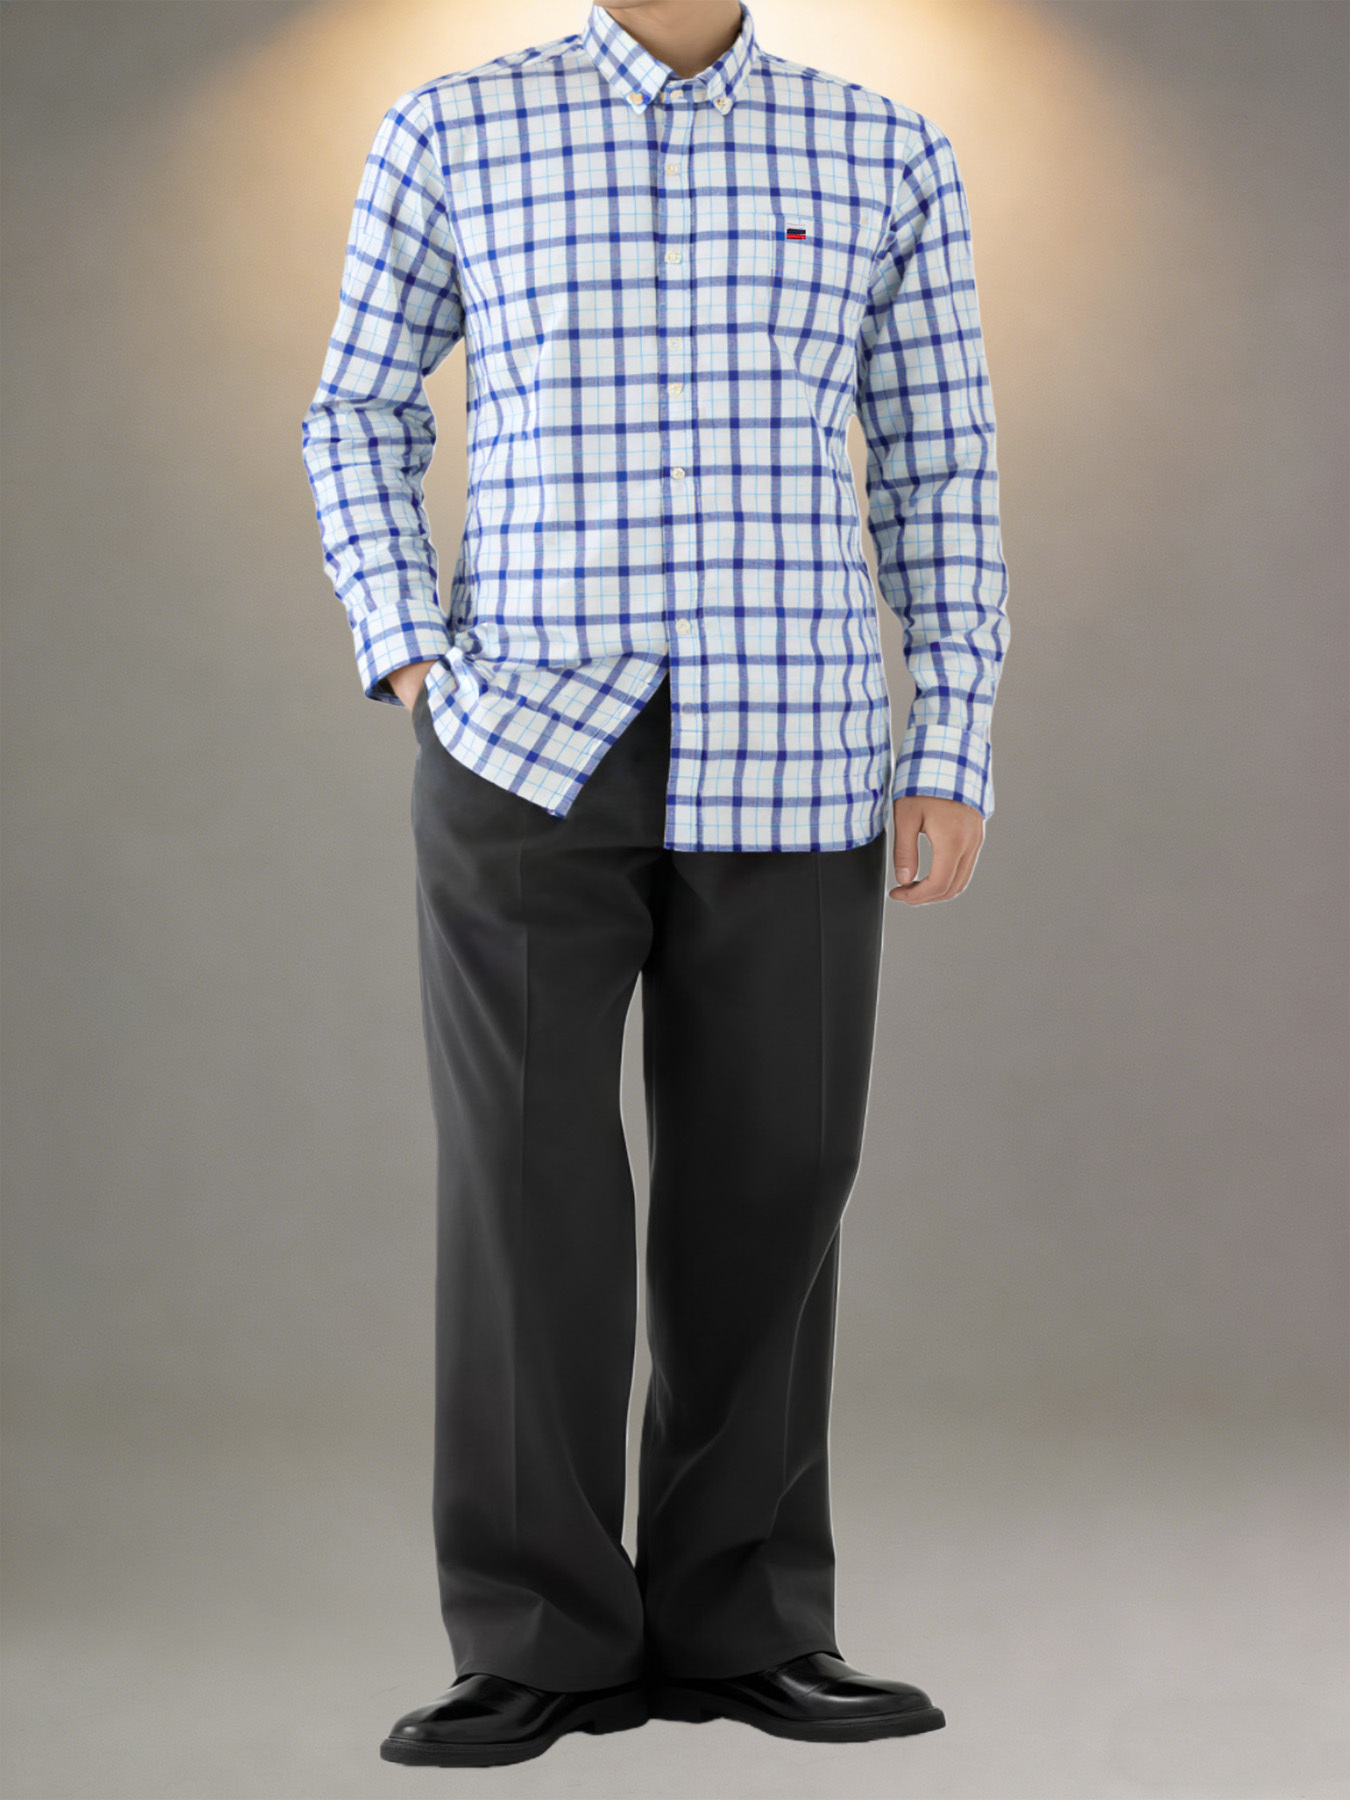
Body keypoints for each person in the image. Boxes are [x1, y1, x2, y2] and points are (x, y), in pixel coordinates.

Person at [301, 0, 1008, 1769]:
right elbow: (357, 411)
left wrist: (950, 737)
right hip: (526, 745)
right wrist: (412, 655)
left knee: (774, 1176)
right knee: (523, 1184)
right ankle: (535, 1636)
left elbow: (940, 460)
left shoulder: (883, 147)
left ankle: (742, 1618)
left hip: (798, 734)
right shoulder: (453, 128)